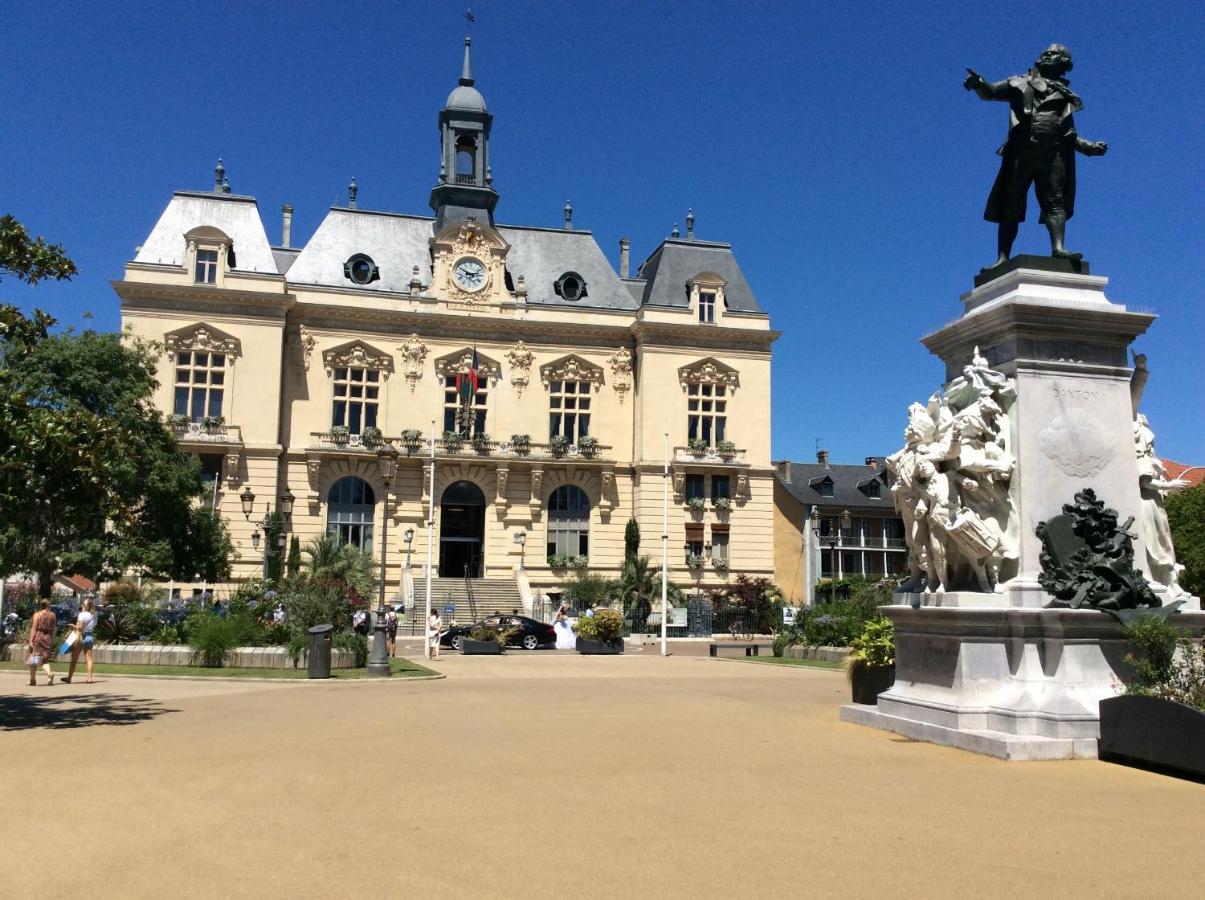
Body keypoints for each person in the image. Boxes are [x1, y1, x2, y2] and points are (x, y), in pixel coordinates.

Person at [964, 44, 1107, 271]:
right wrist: (979, 84)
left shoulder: (1065, 94)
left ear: (1064, 64)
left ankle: (1058, 248)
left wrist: (1089, 147)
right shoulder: (1017, 82)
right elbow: (990, 92)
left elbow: (1069, 132)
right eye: (1046, 54)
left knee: (1055, 200)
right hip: (1021, 151)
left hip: (1054, 152)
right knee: (1010, 204)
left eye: (1054, 55)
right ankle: (1002, 258)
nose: (1047, 56)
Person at [64, 597, 97, 684]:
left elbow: (80, 628)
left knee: (74, 659)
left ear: (84, 605)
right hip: (89, 636)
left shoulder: (82, 615)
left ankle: (69, 677)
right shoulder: (93, 615)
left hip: (80, 637)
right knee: (89, 658)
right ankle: (89, 678)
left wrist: (72, 625)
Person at [26, 599, 57, 686]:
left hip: (38, 637)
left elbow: (34, 628)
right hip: (47, 637)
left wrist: (31, 640)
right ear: (48, 606)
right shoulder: (53, 615)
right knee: (44, 658)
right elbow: (53, 629)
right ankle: (47, 675)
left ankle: (37, 678)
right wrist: (52, 639)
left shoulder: (37, 615)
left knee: (34, 658)